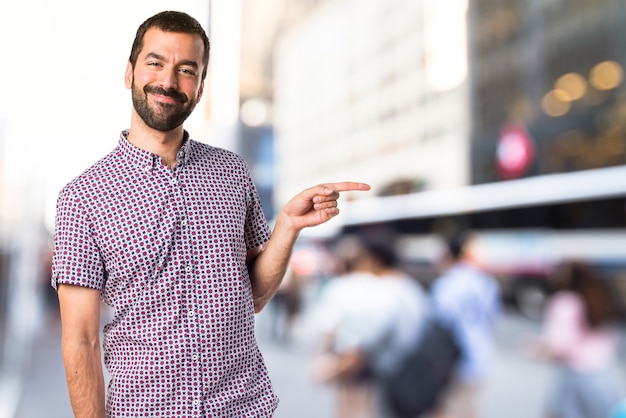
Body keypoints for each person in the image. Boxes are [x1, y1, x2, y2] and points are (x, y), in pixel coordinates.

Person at [51, 11, 369, 418]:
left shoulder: (233, 172)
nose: (168, 81)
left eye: (187, 70)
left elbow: (252, 295)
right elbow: (80, 340)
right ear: (129, 73)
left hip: (243, 408)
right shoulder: (83, 198)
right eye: (155, 63)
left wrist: (287, 226)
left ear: (200, 88)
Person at [311, 234, 429, 418]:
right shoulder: (410, 287)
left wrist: (335, 368)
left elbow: (370, 339)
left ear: (373, 259)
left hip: (394, 370)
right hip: (413, 368)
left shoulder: (386, 290)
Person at [529, 261, 625, 418]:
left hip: (575, 375)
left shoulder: (564, 301)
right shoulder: (598, 297)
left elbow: (559, 346)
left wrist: (535, 348)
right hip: (604, 373)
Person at [429, 233, 501, 418]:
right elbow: (493, 318)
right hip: (481, 355)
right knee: (467, 408)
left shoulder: (447, 283)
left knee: (445, 409)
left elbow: (440, 323)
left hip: (453, 360)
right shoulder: (487, 281)